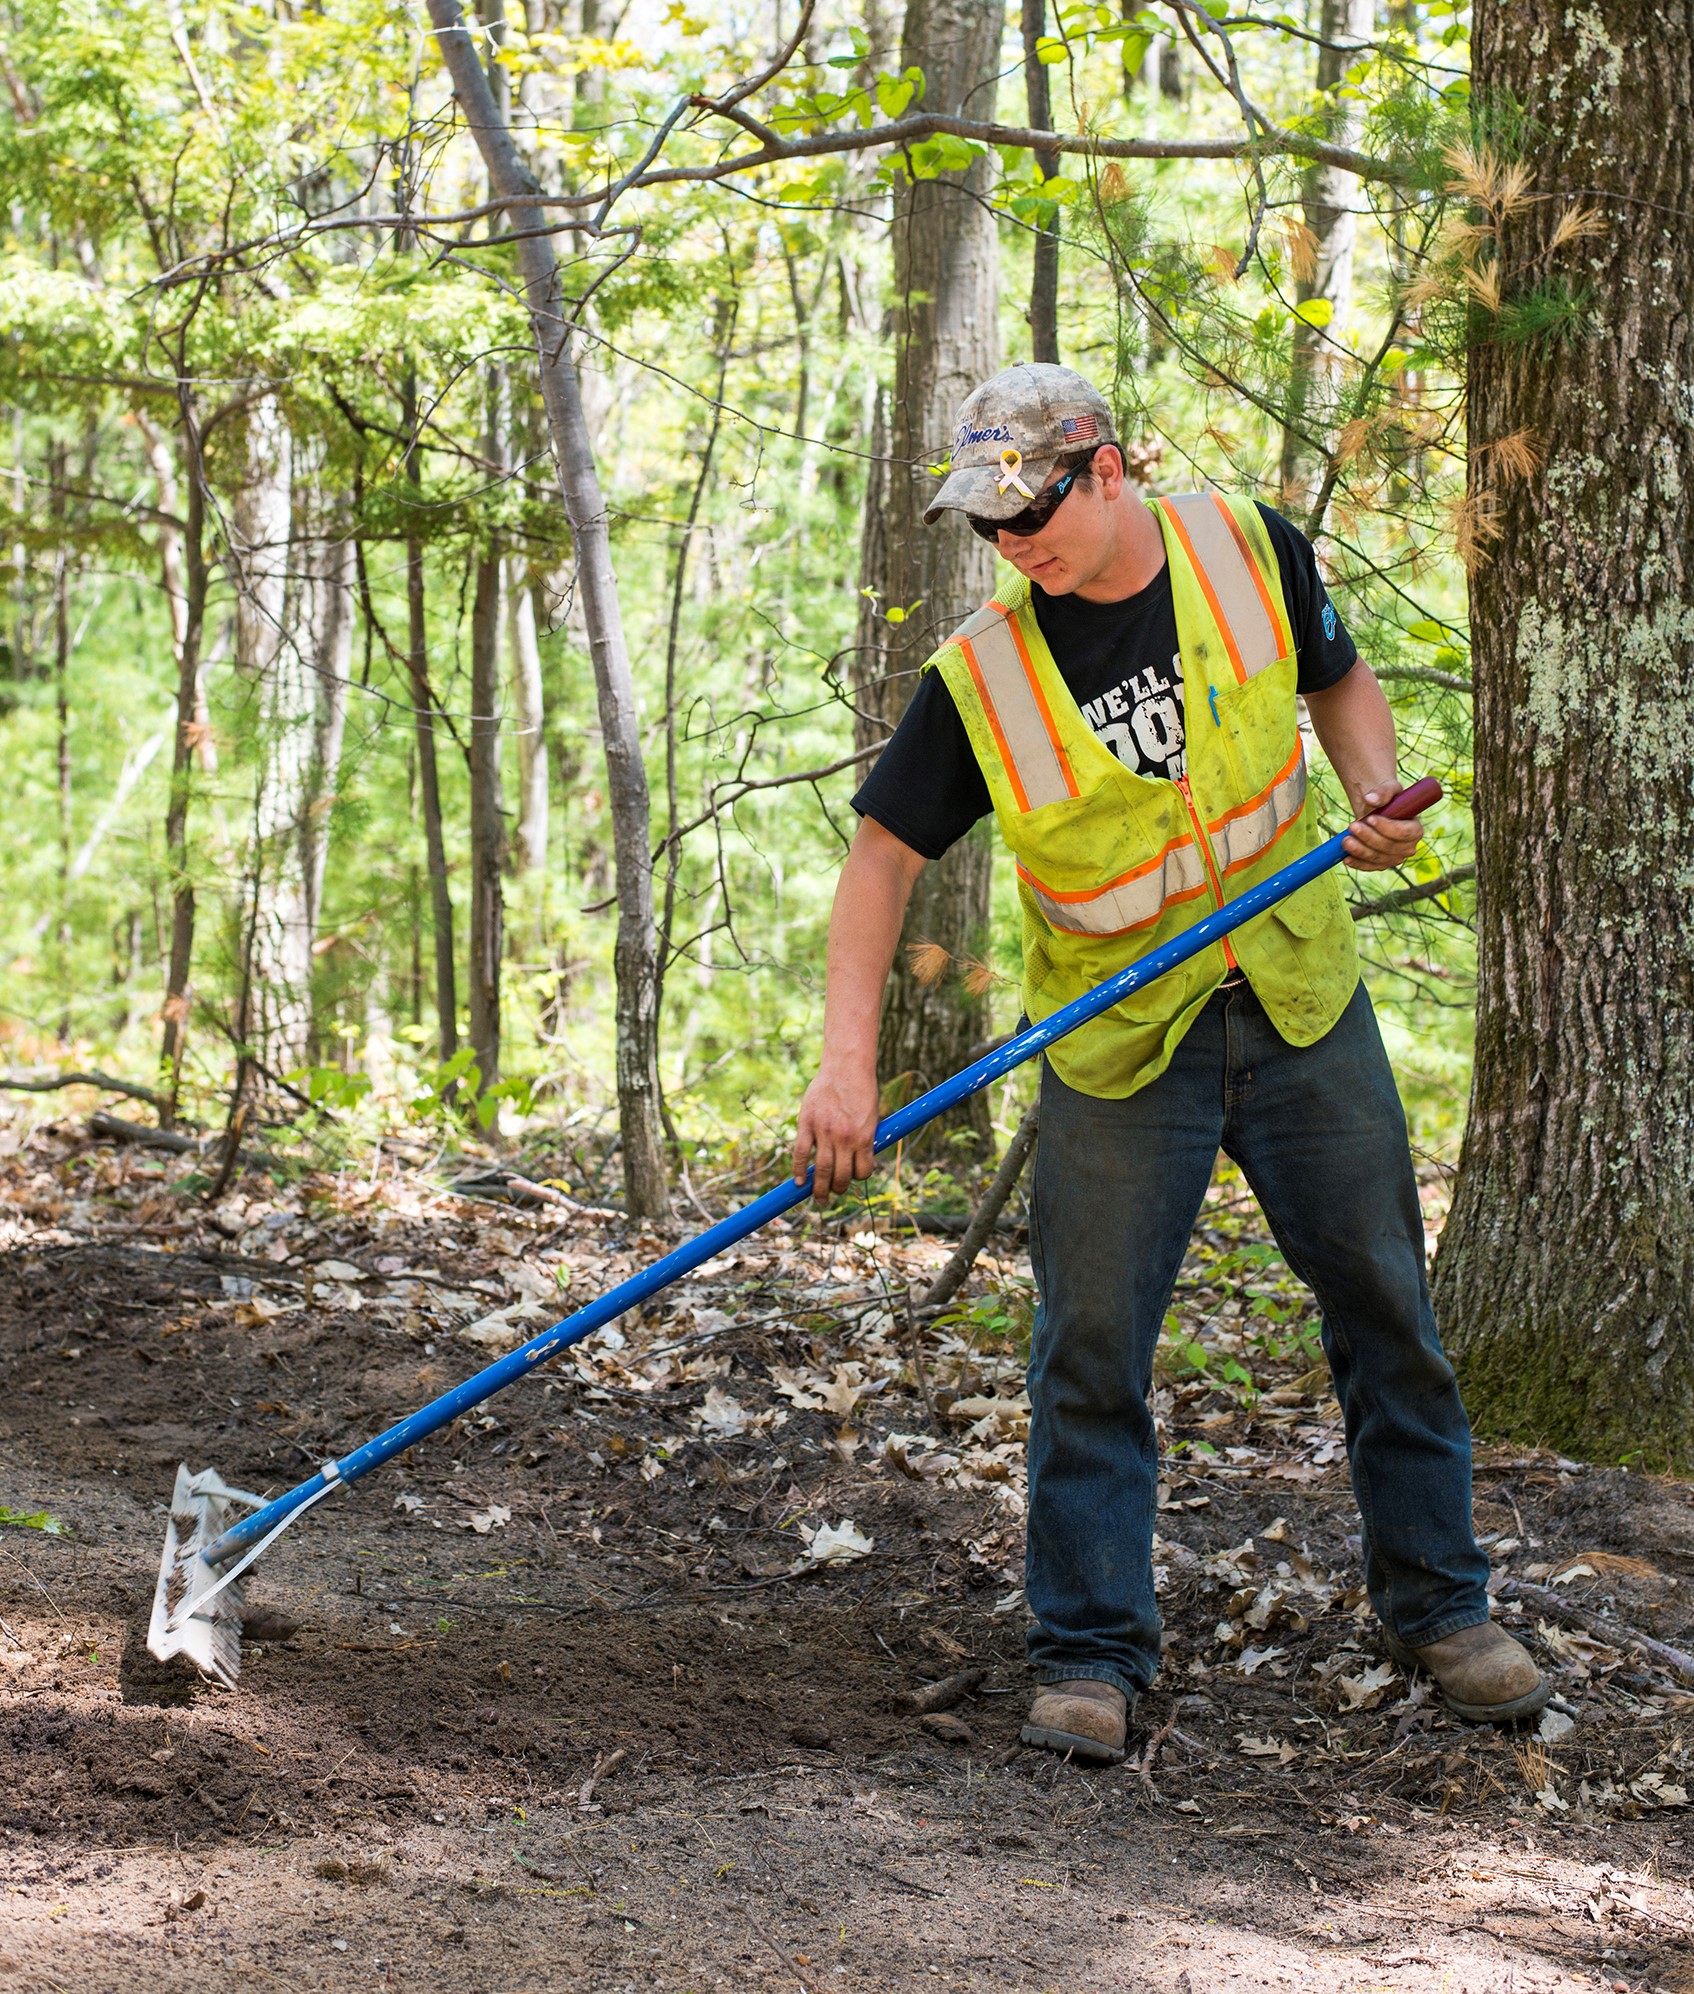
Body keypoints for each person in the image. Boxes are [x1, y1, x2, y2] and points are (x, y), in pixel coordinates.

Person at [793, 362, 1548, 1764]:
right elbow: (880, 857)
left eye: (1035, 513)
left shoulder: (1248, 546)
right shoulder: (981, 679)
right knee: (1088, 1352)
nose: (1016, 546)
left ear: (1112, 468)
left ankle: (1440, 1605)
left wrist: (1374, 789)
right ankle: (1087, 1646)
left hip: (1299, 997)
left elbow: (1339, 682)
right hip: (1118, 1046)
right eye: (990, 528)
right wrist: (847, 1069)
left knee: (1387, 1307)